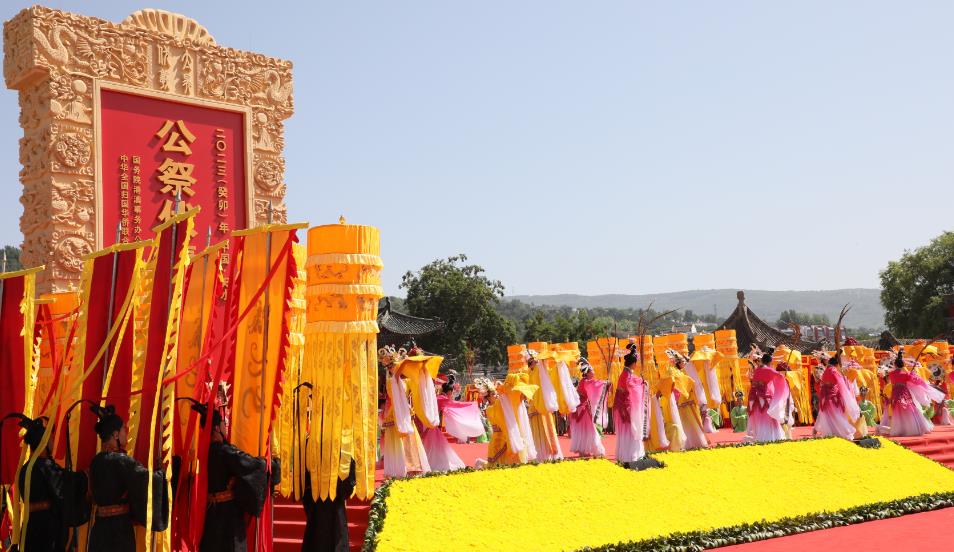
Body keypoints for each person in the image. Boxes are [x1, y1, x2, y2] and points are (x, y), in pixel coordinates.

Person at [189, 400, 277, 552]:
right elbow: (251, 465)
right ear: (217, 428)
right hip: (228, 516)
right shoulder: (224, 452)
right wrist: (267, 463)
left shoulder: (202, 452)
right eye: (223, 423)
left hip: (210, 513)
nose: (225, 426)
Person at [87, 404, 168, 552]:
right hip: (119, 532)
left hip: (99, 529)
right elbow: (146, 480)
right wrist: (161, 473)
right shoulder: (122, 461)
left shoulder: (95, 462)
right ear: (116, 435)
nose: (127, 431)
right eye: (124, 428)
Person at [10, 415, 77, 552]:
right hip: (47, 529)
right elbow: (64, 490)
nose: (53, 441)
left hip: (30, 526)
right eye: (51, 439)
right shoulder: (45, 467)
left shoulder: (25, 469)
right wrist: (84, 477)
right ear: (43, 442)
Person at [379, 346, 430, 478]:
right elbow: (399, 371)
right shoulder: (392, 380)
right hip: (397, 414)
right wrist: (407, 361)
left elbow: (415, 379)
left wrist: (421, 365)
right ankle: (403, 469)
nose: (394, 368)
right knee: (398, 443)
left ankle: (413, 467)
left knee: (411, 439)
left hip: (406, 413)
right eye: (392, 366)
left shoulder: (403, 381)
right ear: (390, 368)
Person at [421, 375, 485, 471]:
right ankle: (433, 465)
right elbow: (456, 405)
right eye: (452, 393)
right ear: (450, 392)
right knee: (436, 448)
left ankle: (426, 464)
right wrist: (471, 405)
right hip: (432, 427)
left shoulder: (437, 397)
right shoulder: (442, 399)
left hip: (428, 425)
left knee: (429, 447)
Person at [883, 354, 946, 437]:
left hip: (895, 392)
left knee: (897, 410)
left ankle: (901, 428)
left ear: (895, 364)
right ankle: (913, 428)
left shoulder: (891, 374)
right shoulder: (906, 374)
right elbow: (917, 381)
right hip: (904, 391)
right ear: (903, 364)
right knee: (909, 408)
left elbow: (895, 379)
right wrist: (912, 374)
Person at [302, 460, 355, 552]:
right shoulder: (343, 448)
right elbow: (347, 489)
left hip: (317, 508)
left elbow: (305, 487)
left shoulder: (310, 446)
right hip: (335, 506)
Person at [485, 374, 538, 466]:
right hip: (498, 440)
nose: (496, 395)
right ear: (488, 397)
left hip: (505, 438)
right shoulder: (490, 409)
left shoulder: (499, 404)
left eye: (496, 393)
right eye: (493, 394)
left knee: (507, 464)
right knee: (496, 466)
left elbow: (510, 403)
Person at [746, 351, 792, 442]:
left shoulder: (757, 369)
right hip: (764, 396)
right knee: (771, 416)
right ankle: (770, 437)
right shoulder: (768, 370)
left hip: (754, 397)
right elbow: (779, 377)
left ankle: (760, 437)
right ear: (770, 362)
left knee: (760, 418)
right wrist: (784, 376)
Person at [813, 355, 862, 440]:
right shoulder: (834, 371)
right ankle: (844, 431)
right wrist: (847, 396)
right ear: (836, 365)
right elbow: (840, 384)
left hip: (825, 395)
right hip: (833, 396)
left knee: (826, 414)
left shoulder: (826, 371)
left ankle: (823, 431)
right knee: (837, 414)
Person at [526, 352, 563, 461]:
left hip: (542, 405)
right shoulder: (529, 372)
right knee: (535, 432)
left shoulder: (540, 370)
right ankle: (538, 454)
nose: (530, 364)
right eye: (529, 362)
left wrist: (558, 364)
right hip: (533, 405)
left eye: (531, 361)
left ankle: (548, 454)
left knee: (546, 430)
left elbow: (549, 379)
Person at [614, 345, 647, 463]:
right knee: (630, 430)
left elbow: (633, 382)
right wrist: (642, 383)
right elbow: (632, 385)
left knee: (628, 430)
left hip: (624, 405)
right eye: (636, 362)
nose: (637, 364)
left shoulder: (625, 374)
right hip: (627, 406)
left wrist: (640, 382)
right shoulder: (627, 375)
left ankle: (627, 455)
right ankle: (631, 455)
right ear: (633, 363)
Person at [569, 360, 607, 458]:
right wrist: (605, 384)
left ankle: (583, 450)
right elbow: (596, 385)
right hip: (582, 409)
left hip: (580, 408)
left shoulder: (584, 382)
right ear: (588, 372)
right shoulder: (586, 382)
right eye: (592, 370)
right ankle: (594, 450)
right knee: (589, 429)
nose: (594, 372)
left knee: (583, 429)